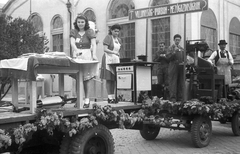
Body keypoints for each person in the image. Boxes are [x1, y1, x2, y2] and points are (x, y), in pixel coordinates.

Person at [70, 14, 98, 108]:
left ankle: (87, 99)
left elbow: (94, 44)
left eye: (82, 22)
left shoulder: (89, 32)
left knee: (87, 78)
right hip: (77, 55)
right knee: (78, 78)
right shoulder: (74, 31)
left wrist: (94, 55)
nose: (80, 24)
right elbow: (72, 43)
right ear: (76, 23)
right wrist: (76, 51)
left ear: (85, 22)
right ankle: (79, 99)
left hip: (86, 55)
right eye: (79, 22)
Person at [100, 24, 124, 104]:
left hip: (115, 60)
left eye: (118, 31)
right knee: (109, 79)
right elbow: (105, 49)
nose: (116, 33)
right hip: (108, 59)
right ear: (111, 30)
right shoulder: (108, 37)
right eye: (115, 31)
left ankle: (113, 96)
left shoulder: (119, 40)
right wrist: (114, 52)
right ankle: (109, 97)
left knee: (114, 79)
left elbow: (119, 51)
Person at [166, 34, 184, 102]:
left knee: (180, 82)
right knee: (173, 83)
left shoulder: (182, 49)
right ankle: (173, 98)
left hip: (180, 67)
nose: (177, 41)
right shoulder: (170, 48)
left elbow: (184, 57)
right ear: (174, 40)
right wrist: (174, 52)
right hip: (173, 66)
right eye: (176, 40)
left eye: (178, 40)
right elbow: (168, 58)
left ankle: (180, 98)